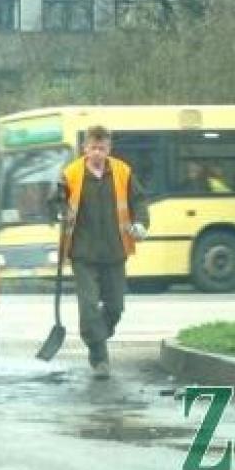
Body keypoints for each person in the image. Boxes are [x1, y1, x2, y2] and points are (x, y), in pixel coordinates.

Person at [52, 125, 149, 379]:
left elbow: (139, 200)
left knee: (116, 306)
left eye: (102, 148)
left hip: (115, 250)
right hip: (82, 252)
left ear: (109, 149)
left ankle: (97, 336)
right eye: (93, 148)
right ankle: (99, 356)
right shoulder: (71, 173)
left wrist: (141, 223)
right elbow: (56, 199)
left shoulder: (122, 171)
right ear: (85, 148)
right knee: (88, 307)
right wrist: (60, 206)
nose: (97, 152)